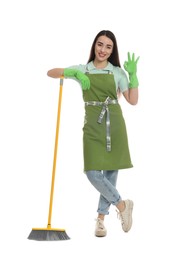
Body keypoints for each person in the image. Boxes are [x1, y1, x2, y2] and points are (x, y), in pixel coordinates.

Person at [47, 30, 139, 237]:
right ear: (94, 45)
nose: (103, 50)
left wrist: (133, 76)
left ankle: (100, 220)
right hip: (92, 127)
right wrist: (75, 74)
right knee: (92, 173)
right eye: (100, 44)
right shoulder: (84, 69)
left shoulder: (117, 72)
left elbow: (133, 100)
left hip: (114, 124)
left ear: (113, 50)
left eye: (108, 47)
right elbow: (51, 72)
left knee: (110, 174)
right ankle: (123, 205)